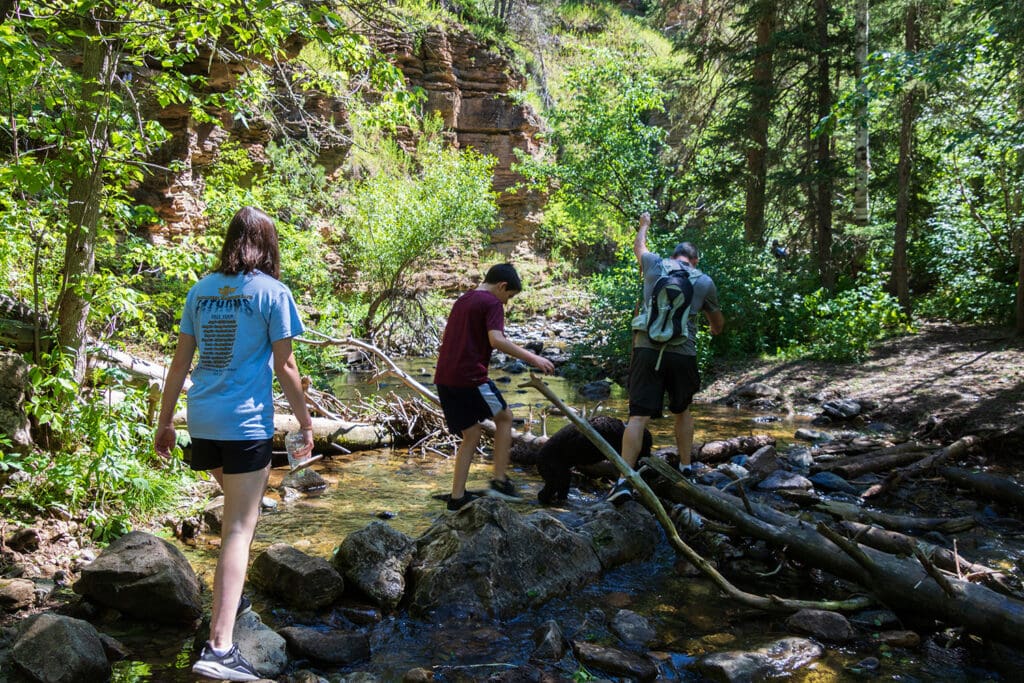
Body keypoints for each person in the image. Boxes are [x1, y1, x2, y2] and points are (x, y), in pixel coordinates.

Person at [154, 206, 314, 682]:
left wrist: (165, 422)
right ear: (268, 244)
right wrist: (305, 421)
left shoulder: (200, 290)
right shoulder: (273, 293)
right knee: (240, 529)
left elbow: (179, 364)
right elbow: (285, 367)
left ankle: (232, 593)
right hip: (244, 424)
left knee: (237, 512)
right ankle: (220, 648)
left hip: (202, 419)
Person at [608, 212, 724, 505]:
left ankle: (623, 479)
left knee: (638, 417)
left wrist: (644, 224)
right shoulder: (704, 281)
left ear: (674, 255)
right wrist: (712, 327)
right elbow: (718, 324)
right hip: (683, 353)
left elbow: (639, 247)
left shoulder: (654, 263)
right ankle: (685, 468)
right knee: (682, 411)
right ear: (694, 261)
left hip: (646, 349)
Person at [434, 263, 555, 511]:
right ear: (501, 286)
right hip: (469, 378)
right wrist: (534, 358)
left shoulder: (463, 299)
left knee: (472, 434)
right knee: (505, 417)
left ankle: (457, 497)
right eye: (509, 297)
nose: (507, 303)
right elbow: (496, 339)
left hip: (444, 378)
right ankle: (500, 481)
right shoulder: (491, 303)